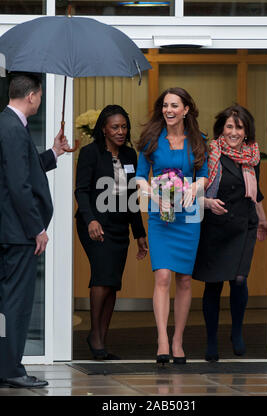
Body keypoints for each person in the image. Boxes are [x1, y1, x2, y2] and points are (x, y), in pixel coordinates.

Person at [0, 73, 69, 388]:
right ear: (31, 96)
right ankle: (12, 369)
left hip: (10, 231)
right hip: (16, 233)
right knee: (16, 301)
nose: (40, 101)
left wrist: (54, 152)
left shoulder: (9, 125)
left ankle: (6, 364)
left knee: (7, 301)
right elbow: (19, 185)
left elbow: (22, 169)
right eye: (40, 96)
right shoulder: (13, 128)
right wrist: (37, 228)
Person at [136, 87, 208, 364]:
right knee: (163, 276)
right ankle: (162, 340)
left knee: (185, 279)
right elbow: (141, 176)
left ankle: (178, 340)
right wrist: (154, 194)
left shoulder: (199, 140)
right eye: (165, 105)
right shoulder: (151, 140)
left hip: (188, 216)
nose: (169, 110)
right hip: (160, 214)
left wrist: (195, 187)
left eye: (175, 105)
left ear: (186, 110)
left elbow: (204, 175)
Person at [193, 104, 267, 362]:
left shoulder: (252, 156)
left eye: (239, 127)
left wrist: (262, 218)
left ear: (246, 131)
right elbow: (198, 188)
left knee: (239, 280)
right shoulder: (210, 153)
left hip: (243, 226)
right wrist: (205, 203)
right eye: (229, 126)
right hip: (215, 225)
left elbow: (255, 193)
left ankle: (237, 332)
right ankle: (211, 339)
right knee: (213, 285)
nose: (234, 132)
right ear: (221, 129)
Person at [75, 104, 148, 360]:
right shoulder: (90, 153)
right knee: (102, 278)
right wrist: (90, 220)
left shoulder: (130, 155)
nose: (120, 131)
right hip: (95, 225)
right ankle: (95, 335)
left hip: (119, 226)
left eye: (124, 126)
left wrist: (139, 233)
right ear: (104, 129)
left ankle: (101, 338)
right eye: (115, 127)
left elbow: (131, 196)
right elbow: (81, 191)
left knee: (112, 284)